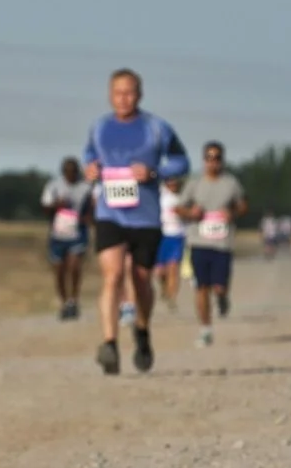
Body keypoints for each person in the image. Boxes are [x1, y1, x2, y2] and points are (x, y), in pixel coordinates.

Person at [83, 68, 189, 374]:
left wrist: (155, 173)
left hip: (145, 217)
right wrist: (90, 170)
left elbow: (182, 162)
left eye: (129, 93)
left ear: (139, 95)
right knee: (112, 275)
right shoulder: (99, 128)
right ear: (109, 95)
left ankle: (142, 331)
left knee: (141, 280)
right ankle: (110, 344)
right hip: (110, 214)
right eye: (118, 93)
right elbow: (89, 157)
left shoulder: (157, 128)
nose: (123, 98)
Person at [175, 142, 247, 347]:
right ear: (203, 159)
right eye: (209, 157)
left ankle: (223, 298)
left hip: (222, 243)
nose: (212, 162)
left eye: (217, 158)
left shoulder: (231, 183)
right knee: (201, 287)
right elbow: (179, 208)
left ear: (222, 160)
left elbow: (243, 204)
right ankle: (205, 329)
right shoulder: (195, 183)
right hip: (198, 241)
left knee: (219, 286)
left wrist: (232, 213)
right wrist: (191, 213)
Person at [40, 158, 93, 319]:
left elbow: (93, 207)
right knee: (59, 271)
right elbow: (45, 207)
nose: (71, 175)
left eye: (74, 172)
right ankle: (64, 302)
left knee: (74, 265)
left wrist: (88, 218)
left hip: (77, 234)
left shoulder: (85, 187)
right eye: (68, 172)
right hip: (58, 234)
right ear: (63, 173)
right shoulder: (53, 186)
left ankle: (74, 300)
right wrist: (56, 205)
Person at [154, 176, 187, 311]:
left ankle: (172, 298)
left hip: (177, 236)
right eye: (170, 180)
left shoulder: (184, 196)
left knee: (173, 268)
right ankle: (164, 287)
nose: (173, 183)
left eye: (175, 180)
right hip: (161, 235)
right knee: (160, 272)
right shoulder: (159, 194)